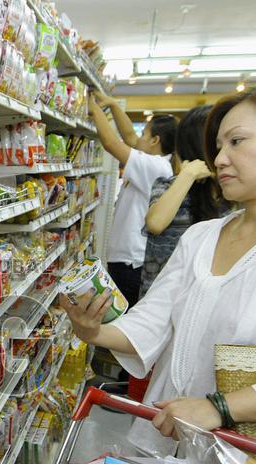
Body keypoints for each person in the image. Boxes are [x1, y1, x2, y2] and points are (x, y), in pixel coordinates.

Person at [61, 73, 256, 459]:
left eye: (237, 141)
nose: (219, 159)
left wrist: (219, 406)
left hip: (244, 462)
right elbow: (152, 322)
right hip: (163, 443)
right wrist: (93, 330)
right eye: (218, 145)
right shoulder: (202, 236)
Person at [88, 93, 177, 306]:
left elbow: (111, 143)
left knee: (120, 320)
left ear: (155, 140)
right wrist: (111, 104)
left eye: (144, 134)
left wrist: (93, 108)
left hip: (130, 263)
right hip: (127, 259)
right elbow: (128, 136)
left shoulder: (155, 166)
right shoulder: (157, 162)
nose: (139, 139)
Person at [140, 105, 231, 298]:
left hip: (204, 302)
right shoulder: (168, 187)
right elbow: (155, 223)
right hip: (159, 305)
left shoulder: (230, 193)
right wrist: (188, 174)